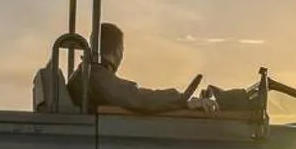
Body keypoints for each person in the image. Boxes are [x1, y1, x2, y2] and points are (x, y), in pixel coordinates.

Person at [67, 23, 219, 114]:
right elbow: (137, 98)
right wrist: (182, 100)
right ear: (119, 51)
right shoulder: (94, 76)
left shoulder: (88, 73)